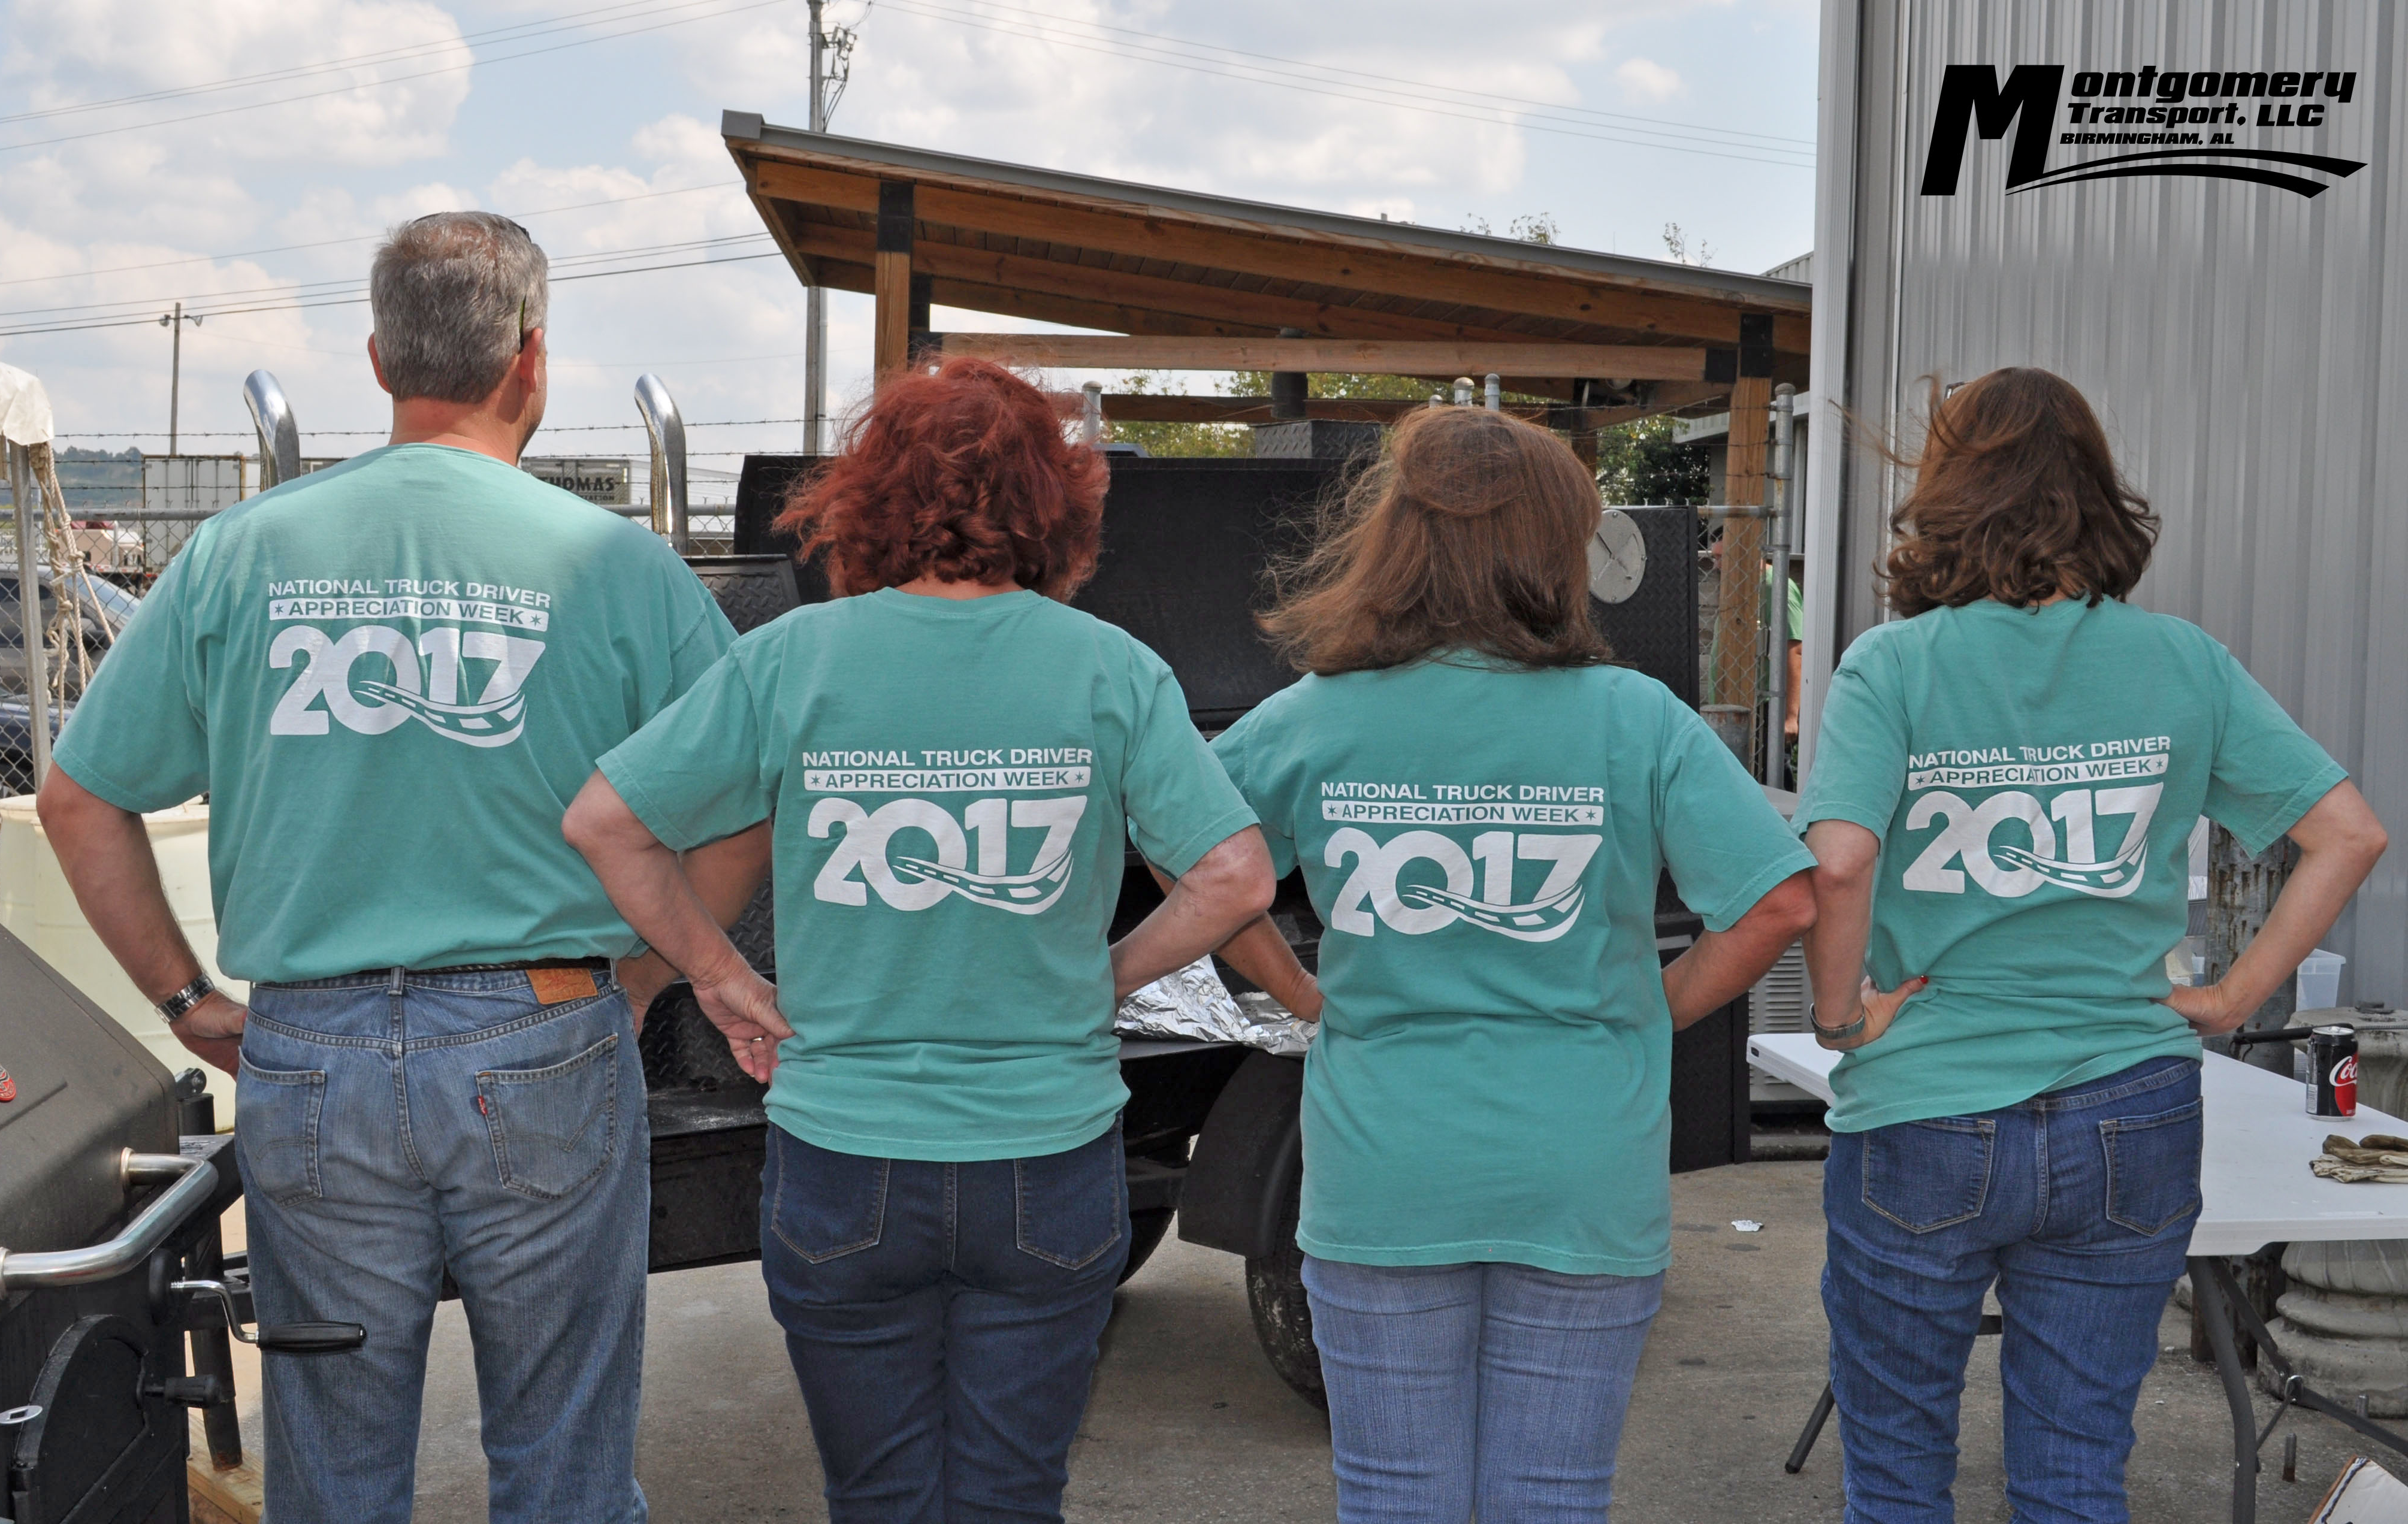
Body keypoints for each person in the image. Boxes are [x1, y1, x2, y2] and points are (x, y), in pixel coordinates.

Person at [38, 211, 768, 1524]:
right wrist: (651, 971)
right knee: (564, 1461)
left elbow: (81, 798)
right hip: (543, 1034)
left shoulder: (240, 556)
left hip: (306, 1053)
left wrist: (182, 1000)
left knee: (336, 1468)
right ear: (533, 361)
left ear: (378, 361)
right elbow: (745, 792)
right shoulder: (617, 565)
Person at [562, 356, 1278, 1523]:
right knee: (1008, 1499)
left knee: (881, 1497)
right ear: (1057, 503)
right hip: (1047, 1159)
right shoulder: (1108, 668)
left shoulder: (797, 657)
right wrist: (1110, 975)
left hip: (844, 1161)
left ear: (867, 496)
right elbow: (1236, 875)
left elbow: (606, 823)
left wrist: (722, 976)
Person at [1194, 405, 1818, 1523]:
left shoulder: (1320, 714)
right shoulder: (1636, 717)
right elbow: (1782, 902)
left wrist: (1297, 992)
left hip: (1385, 1168)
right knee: (1552, 1497)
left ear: (1395, 540)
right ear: (1557, 548)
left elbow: (1190, 859)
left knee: (1395, 1496)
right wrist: (1657, 1006)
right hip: (1583, 1165)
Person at [1796, 367, 2389, 1523]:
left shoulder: (1895, 665)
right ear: (2096, 496)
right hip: (2132, 1101)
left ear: (1950, 493)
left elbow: (1839, 864)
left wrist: (1836, 1021)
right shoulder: (2183, 663)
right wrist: (2232, 998)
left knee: (1898, 1472)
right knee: (2074, 1470)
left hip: (1925, 1103)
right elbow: (2350, 835)